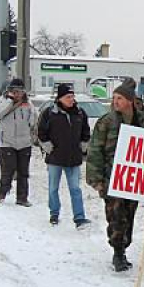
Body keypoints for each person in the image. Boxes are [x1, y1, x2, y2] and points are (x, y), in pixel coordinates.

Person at [86, 78, 144, 272]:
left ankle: (124, 247)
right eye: (114, 98)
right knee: (116, 216)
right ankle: (117, 252)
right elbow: (95, 151)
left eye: (120, 98)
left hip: (133, 180)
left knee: (129, 215)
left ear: (130, 101)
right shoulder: (106, 122)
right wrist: (97, 180)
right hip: (112, 179)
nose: (115, 101)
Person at [37, 83, 91, 229]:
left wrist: (84, 144)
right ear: (60, 98)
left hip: (73, 159)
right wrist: (47, 146)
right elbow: (41, 132)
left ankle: (79, 217)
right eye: (68, 97)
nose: (71, 99)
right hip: (55, 158)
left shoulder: (80, 113)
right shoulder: (49, 113)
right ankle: (54, 213)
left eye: (73, 96)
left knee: (75, 189)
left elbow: (86, 131)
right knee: (53, 188)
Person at [0, 78, 37, 205]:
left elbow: (33, 120)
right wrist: (10, 101)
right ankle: (3, 192)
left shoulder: (28, 103)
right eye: (14, 91)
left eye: (20, 91)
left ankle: (22, 197)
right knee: (8, 169)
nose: (18, 94)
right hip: (7, 142)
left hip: (24, 142)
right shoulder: (1, 101)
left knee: (23, 171)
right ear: (10, 91)